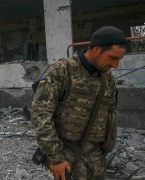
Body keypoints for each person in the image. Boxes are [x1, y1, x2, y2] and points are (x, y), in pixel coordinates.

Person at [31, 26, 127, 180]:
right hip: (67, 156)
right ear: (96, 49)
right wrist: (55, 158)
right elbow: (40, 115)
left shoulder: (107, 80)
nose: (115, 65)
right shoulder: (61, 71)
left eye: (119, 59)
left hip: (96, 157)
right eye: (112, 58)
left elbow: (109, 115)